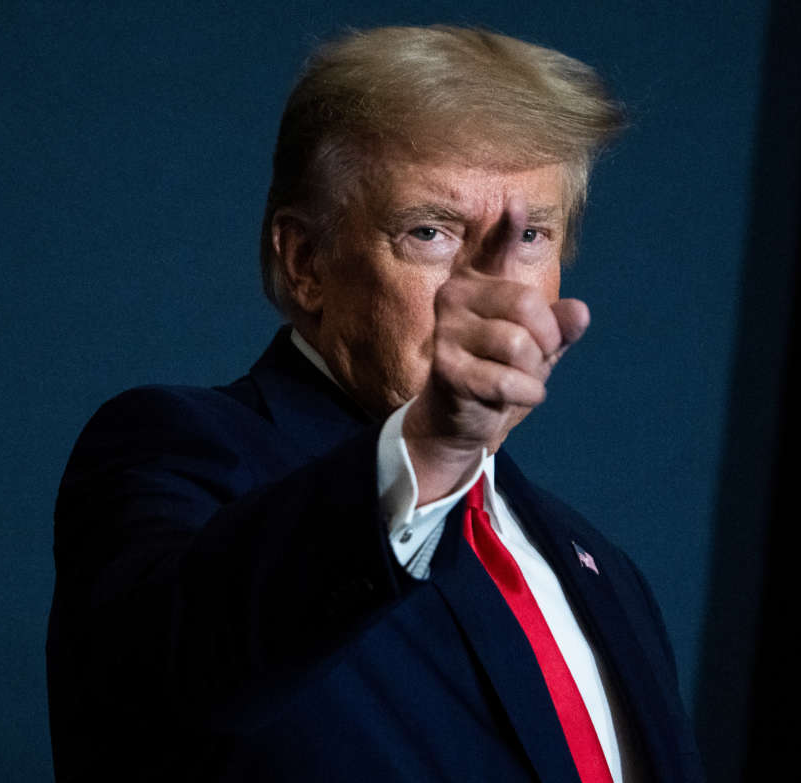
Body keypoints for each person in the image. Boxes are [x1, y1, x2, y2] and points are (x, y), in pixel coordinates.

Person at [47, 25, 703, 782]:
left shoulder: (603, 572)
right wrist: (431, 449)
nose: (490, 285)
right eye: (430, 231)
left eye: (530, 234)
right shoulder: (177, 453)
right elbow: (167, 679)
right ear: (307, 262)